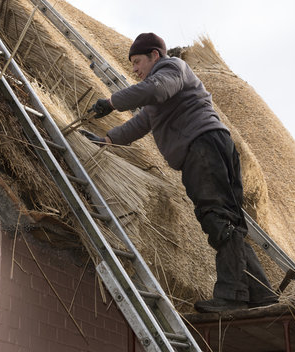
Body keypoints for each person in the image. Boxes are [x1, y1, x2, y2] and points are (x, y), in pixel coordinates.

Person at [80, 32, 278, 312]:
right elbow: (140, 124)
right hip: (209, 147)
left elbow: (156, 89)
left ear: (155, 56)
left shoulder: (171, 69)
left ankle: (232, 297)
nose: (134, 70)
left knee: (218, 219)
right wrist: (107, 139)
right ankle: (262, 294)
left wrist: (111, 102)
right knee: (228, 222)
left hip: (204, 147)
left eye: (137, 62)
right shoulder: (160, 93)